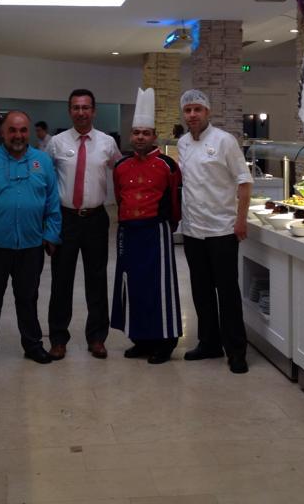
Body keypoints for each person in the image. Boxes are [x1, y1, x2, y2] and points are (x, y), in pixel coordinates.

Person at [0, 110, 61, 369]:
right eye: (13, 130)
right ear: (3, 132)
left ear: (29, 132)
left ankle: (33, 345)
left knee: (28, 299)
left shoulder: (42, 161)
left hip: (31, 245)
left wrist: (51, 234)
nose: (18, 135)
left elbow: (52, 201)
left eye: (23, 130)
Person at [177, 89, 253, 374]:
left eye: (197, 109)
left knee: (228, 292)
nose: (192, 115)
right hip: (193, 230)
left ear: (207, 112)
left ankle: (236, 351)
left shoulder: (224, 141)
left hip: (222, 229)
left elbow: (244, 183)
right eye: (188, 110)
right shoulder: (183, 143)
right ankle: (209, 343)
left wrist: (241, 219)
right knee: (201, 290)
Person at [47, 88, 122, 359]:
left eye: (86, 107)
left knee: (97, 280)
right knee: (61, 281)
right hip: (65, 219)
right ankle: (58, 339)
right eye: (76, 107)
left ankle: (97, 338)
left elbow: (122, 172)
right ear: (70, 111)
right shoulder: (56, 143)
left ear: (94, 111)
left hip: (96, 219)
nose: (81, 112)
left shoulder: (107, 143)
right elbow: (46, 182)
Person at [110, 88, 183, 364]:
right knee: (132, 284)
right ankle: (140, 339)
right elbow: (119, 197)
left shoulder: (167, 165)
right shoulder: (121, 166)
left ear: (153, 136)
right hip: (128, 231)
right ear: (131, 136)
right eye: (136, 133)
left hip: (156, 230)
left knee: (158, 285)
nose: (140, 137)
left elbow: (175, 201)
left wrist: (170, 225)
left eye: (145, 133)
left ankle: (165, 341)